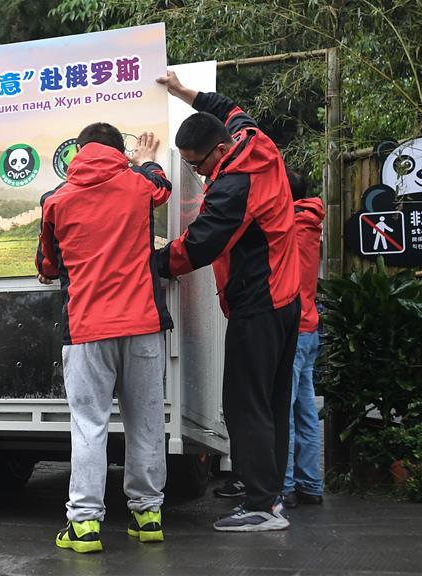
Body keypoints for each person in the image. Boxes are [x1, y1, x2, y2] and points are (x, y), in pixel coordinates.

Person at [155, 71, 300, 532]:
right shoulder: (250, 137)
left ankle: (259, 505)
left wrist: (146, 262)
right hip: (285, 297)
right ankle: (271, 499)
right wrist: (185, 92)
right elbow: (226, 105)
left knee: (244, 403)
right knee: (270, 402)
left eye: (196, 165)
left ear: (218, 151)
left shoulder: (235, 186)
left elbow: (198, 246)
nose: (196, 173)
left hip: (259, 301)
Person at [36, 123, 173, 553]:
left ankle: (85, 526)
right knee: (147, 422)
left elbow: (47, 264)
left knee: (89, 426)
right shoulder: (139, 184)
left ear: (77, 150)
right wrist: (142, 161)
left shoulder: (54, 200)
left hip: (87, 330)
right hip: (142, 325)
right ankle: (148, 515)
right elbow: (163, 185)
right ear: (118, 150)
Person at [282, 168, 325, 509]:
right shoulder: (310, 223)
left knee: (284, 410)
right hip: (310, 326)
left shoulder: (289, 226)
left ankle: (283, 486)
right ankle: (310, 483)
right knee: (306, 410)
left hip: (292, 329)